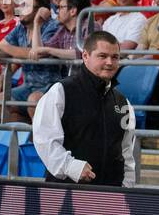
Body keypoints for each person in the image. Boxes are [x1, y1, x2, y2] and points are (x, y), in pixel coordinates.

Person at [32, 30, 136, 187]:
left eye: (115, 57)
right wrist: (71, 167)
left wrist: (127, 187)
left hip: (111, 197)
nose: (109, 62)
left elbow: (126, 151)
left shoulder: (123, 102)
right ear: (85, 56)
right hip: (65, 194)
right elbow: (45, 140)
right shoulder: (61, 91)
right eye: (102, 56)